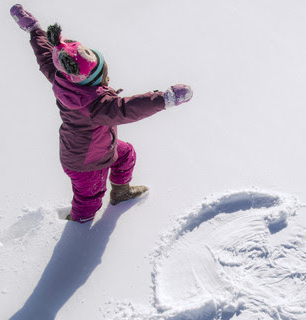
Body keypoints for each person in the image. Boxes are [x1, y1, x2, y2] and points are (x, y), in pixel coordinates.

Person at [10, 4, 193, 223]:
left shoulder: (60, 76)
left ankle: (120, 192)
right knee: (89, 198)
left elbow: (45, 55)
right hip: (85, 162)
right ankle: (80, 223)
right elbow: (127, 109)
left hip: (95, 146)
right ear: (93, 79)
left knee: (125, 155)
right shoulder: (96, 105)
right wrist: (165, 99)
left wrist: (34, 29)